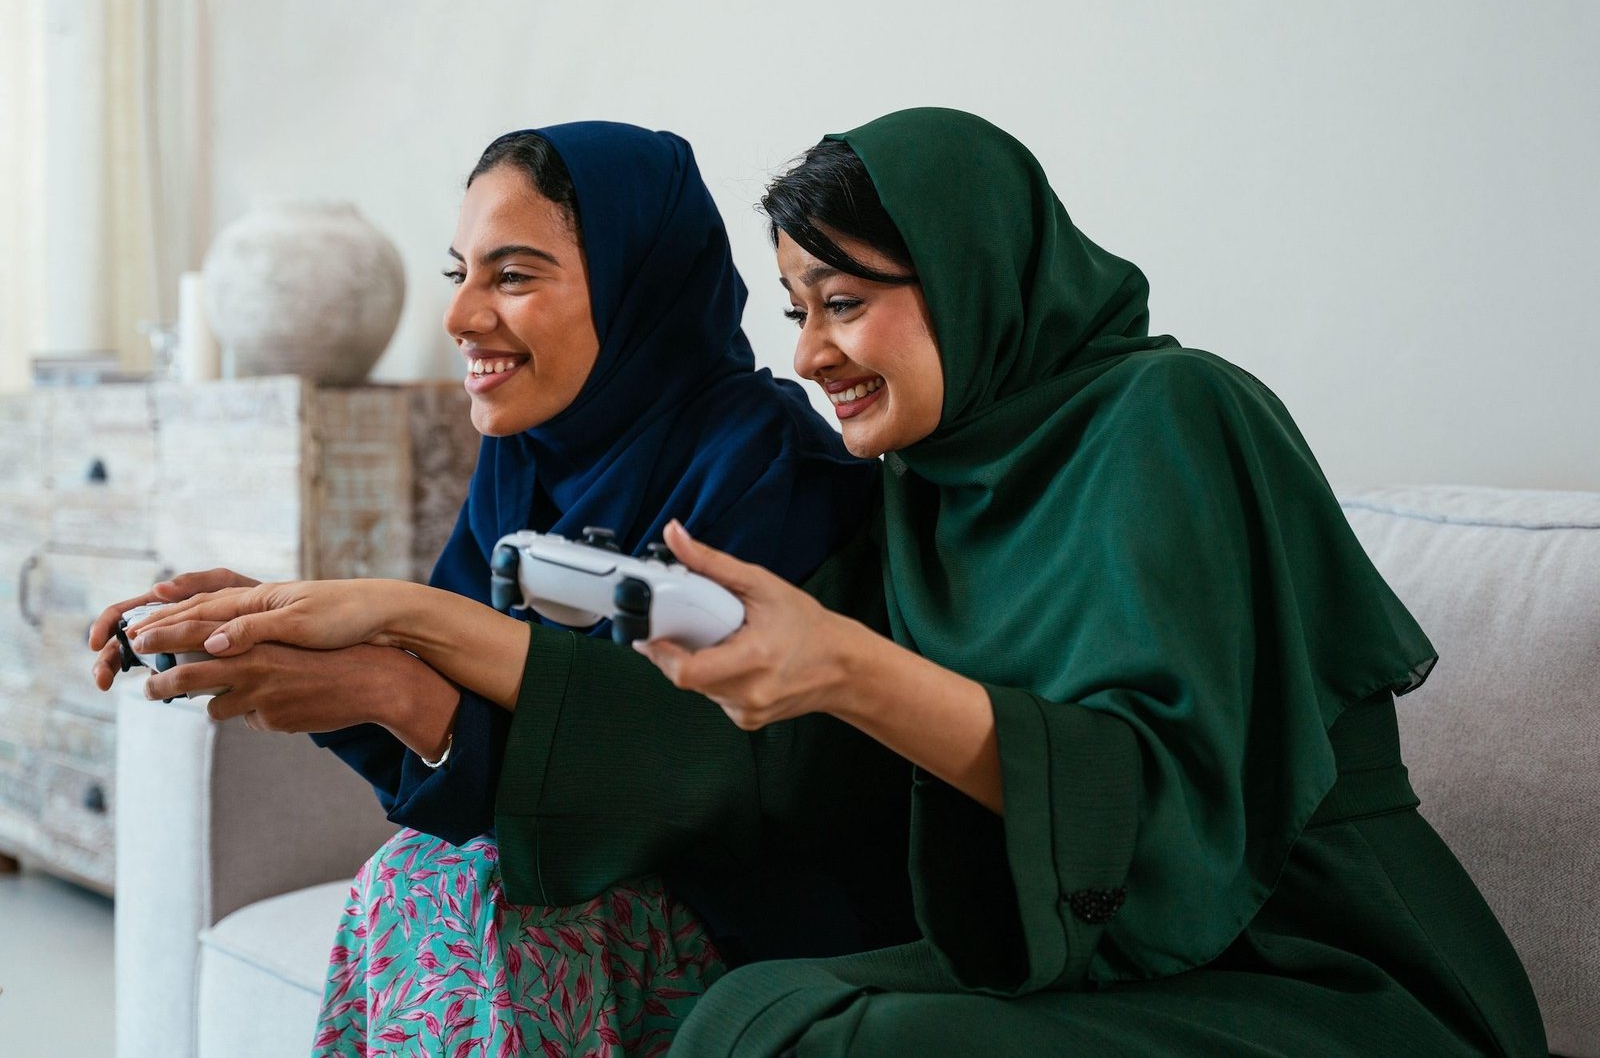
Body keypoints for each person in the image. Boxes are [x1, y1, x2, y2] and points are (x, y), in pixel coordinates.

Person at [125, 107, 1548, 1056]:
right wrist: (368, 666)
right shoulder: (929, 485)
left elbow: (1171, 810)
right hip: (1083, 946)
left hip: (1301, 952)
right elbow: (827, 781)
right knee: (747, 1013)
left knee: (830, 1032)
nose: (807, 351)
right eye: (798, 307)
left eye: (848, 301)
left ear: (975, 275)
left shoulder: (1174, 419)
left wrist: (843, 669)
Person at [92, 122, 915, 1056]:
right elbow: (481, 759)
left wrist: (393, 669)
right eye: (461, 275)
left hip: (750, 913)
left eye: (513, 276)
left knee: (460, 887)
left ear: (634, 280)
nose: (461, 317)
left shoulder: (768, 460)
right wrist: (297, 639)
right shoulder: (521, 457)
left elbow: (704, 783)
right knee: (436, 870)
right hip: (577, 879)